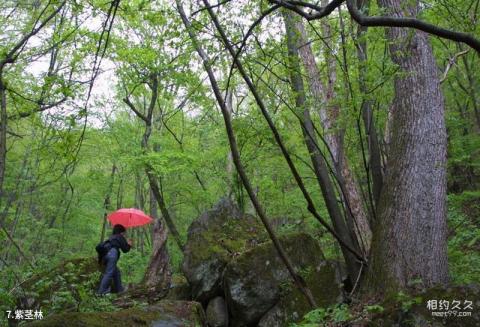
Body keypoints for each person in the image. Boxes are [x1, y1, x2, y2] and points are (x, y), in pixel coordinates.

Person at [97, 224, 132, 295]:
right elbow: (125, 250)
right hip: (112, 253)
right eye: (124, 233)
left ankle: (120, 290)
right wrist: (129, 244)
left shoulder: (111, 237)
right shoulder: (119, 236)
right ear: (121, 232)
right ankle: (101, 292)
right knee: (109, 272)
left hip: (104, 256)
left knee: (116, 272)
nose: (124, 234)